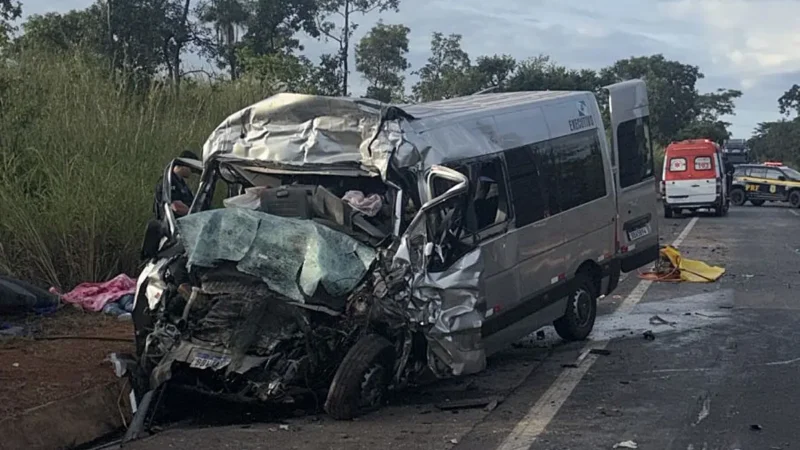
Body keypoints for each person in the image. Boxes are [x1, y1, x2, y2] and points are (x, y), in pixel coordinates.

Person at [153, 150, 199, 220]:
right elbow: (175, 206)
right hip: (171, 224)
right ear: (184, 165)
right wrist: (194, 214)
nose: (192, 172)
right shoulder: (168, 181)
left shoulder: (182, 184)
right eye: (191, 169)